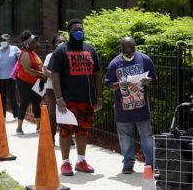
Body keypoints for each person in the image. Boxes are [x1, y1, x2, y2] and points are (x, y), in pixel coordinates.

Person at [48, 18, 102, 176]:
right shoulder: (61, 50)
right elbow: (55, 75)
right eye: (76, 30)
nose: (80, 32)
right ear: (70, 33)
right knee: (65, 132)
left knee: (83, 131)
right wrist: (59, 99)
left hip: (87, 100)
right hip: (68, 101)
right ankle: (65, 163)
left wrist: (99, 97)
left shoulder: (90, 49)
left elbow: (97, 74)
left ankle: (81, 161)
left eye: (81, 29)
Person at [105, 37, 157, 174]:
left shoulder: (144, 59)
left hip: (142, 107)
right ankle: (128, 164)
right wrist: (119, 84)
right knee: (125, 137)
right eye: (126, 51)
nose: (129, 53)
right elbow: (109, 84)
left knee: (146, 136)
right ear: (121, 48)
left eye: (131, 50)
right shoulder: (115, 63)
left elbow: (154, 77)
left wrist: (148, 80)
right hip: (123, 109)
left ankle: (150, 164)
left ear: (135, 47)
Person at [15, 30, 44, 134]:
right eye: (34, 42)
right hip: (25, 82)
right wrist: (41, 74)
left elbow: (39, 66)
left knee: (37, 104)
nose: (36, 44)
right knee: (24, 103)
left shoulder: (33, 53)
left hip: (36, 82)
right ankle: (19, 128)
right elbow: (28, 70)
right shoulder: (25, 54)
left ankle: (38, 127)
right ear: (27, 44)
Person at [43, 33, 66, 144]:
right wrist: (57, 79)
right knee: (53, 113)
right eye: (59, 41)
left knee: (66, 112)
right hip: (51, 88)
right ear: (54, 44)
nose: (61, 43)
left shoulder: (68, 55)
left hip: (66, 88)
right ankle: (50, 137)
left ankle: (66, 136)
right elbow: (45, 70)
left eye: (63, 41)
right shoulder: (50, 56)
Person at [0, 34, 20, 119]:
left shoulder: (15, 49)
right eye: (2, 40)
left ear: (9, 41)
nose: (3, 42)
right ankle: (2, 116)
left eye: (5, 40)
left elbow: (21, 60)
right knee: (0, 98)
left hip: (10, 78)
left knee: (12, 97)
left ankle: (16, 115)